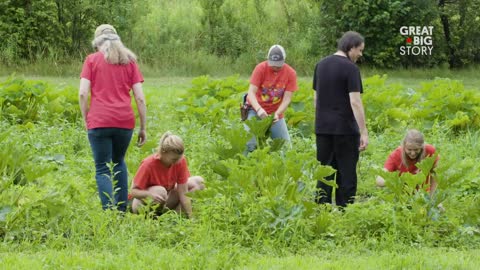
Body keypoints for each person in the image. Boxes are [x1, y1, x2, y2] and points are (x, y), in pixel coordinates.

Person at [79, 24, 147, 212]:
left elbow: (83, 94)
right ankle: (122, 209)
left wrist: (86, 119)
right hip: (124, 122)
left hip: (99, 121)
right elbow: (140, 97)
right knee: (119, 162)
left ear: (97, 43)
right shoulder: (130, 62)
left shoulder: (91, 60)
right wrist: (143, 127)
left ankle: (109, 212)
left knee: (102, 168)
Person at [313, 31, 368, 207]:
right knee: (347, 172)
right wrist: (363, 131)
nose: (360, 54)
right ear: (350, 47)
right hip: (345, 129)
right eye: (359, 50)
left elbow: (316, 99)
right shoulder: (351, 69)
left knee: (325, 172)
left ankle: (322, 209)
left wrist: (323, 118)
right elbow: (355, 102)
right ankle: (345, 210)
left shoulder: (320, 65)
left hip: (323, 128)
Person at [130, 132, 205, 218]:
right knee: (160, 191)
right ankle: (152, 218)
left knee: (198, 182)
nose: (177, 161)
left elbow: (184, 193)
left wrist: (191, 216)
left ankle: (174, 219)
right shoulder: (148, 164)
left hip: (167, 200)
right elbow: (133, 192)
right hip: (144, 204)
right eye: (174, 159)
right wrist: (149, 194)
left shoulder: (180, 161)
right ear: (163, 152)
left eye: (179, 158)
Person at [245, 44, 298, 152]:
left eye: (279, 65)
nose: (275, 67)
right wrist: (259, 110)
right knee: (249, 144)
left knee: (286, 147)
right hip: (255, 110)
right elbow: (251, 92)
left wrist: (277, 114)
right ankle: (247, 166)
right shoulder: (260, 68)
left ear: (284, 60)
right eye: (273, 64)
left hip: (275, 113)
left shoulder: (290, 73)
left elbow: (287, 99)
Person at [376, 129, 439, 195]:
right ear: (404, 146)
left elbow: (435, 173)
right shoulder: (396, 155)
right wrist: (396, 181)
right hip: (403, 196)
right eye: (409, 149)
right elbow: (380, 179)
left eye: (416, 149)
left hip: (423, 193)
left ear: (422, 147)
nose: (412, 153)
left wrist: (432, 196)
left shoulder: (429, 151)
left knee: (439, 205)